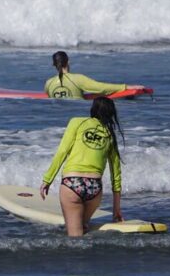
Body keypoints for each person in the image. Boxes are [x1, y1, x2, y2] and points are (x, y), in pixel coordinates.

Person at [40, 97, 125, 236]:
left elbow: (62, 151)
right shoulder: (109, 134)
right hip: (94, 188)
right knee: (82, 228)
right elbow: (116, 173)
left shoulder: (77, 122)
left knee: (75, 239)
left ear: (93, 109)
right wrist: (116, 210)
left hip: (72, 184)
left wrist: (47, 180)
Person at [44, 51, 144, 100]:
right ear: (68, 61)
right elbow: (101, 87)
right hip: (77, 114)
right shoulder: (78, 79)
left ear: (54, 64)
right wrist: (126, 87)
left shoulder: (48, 84)